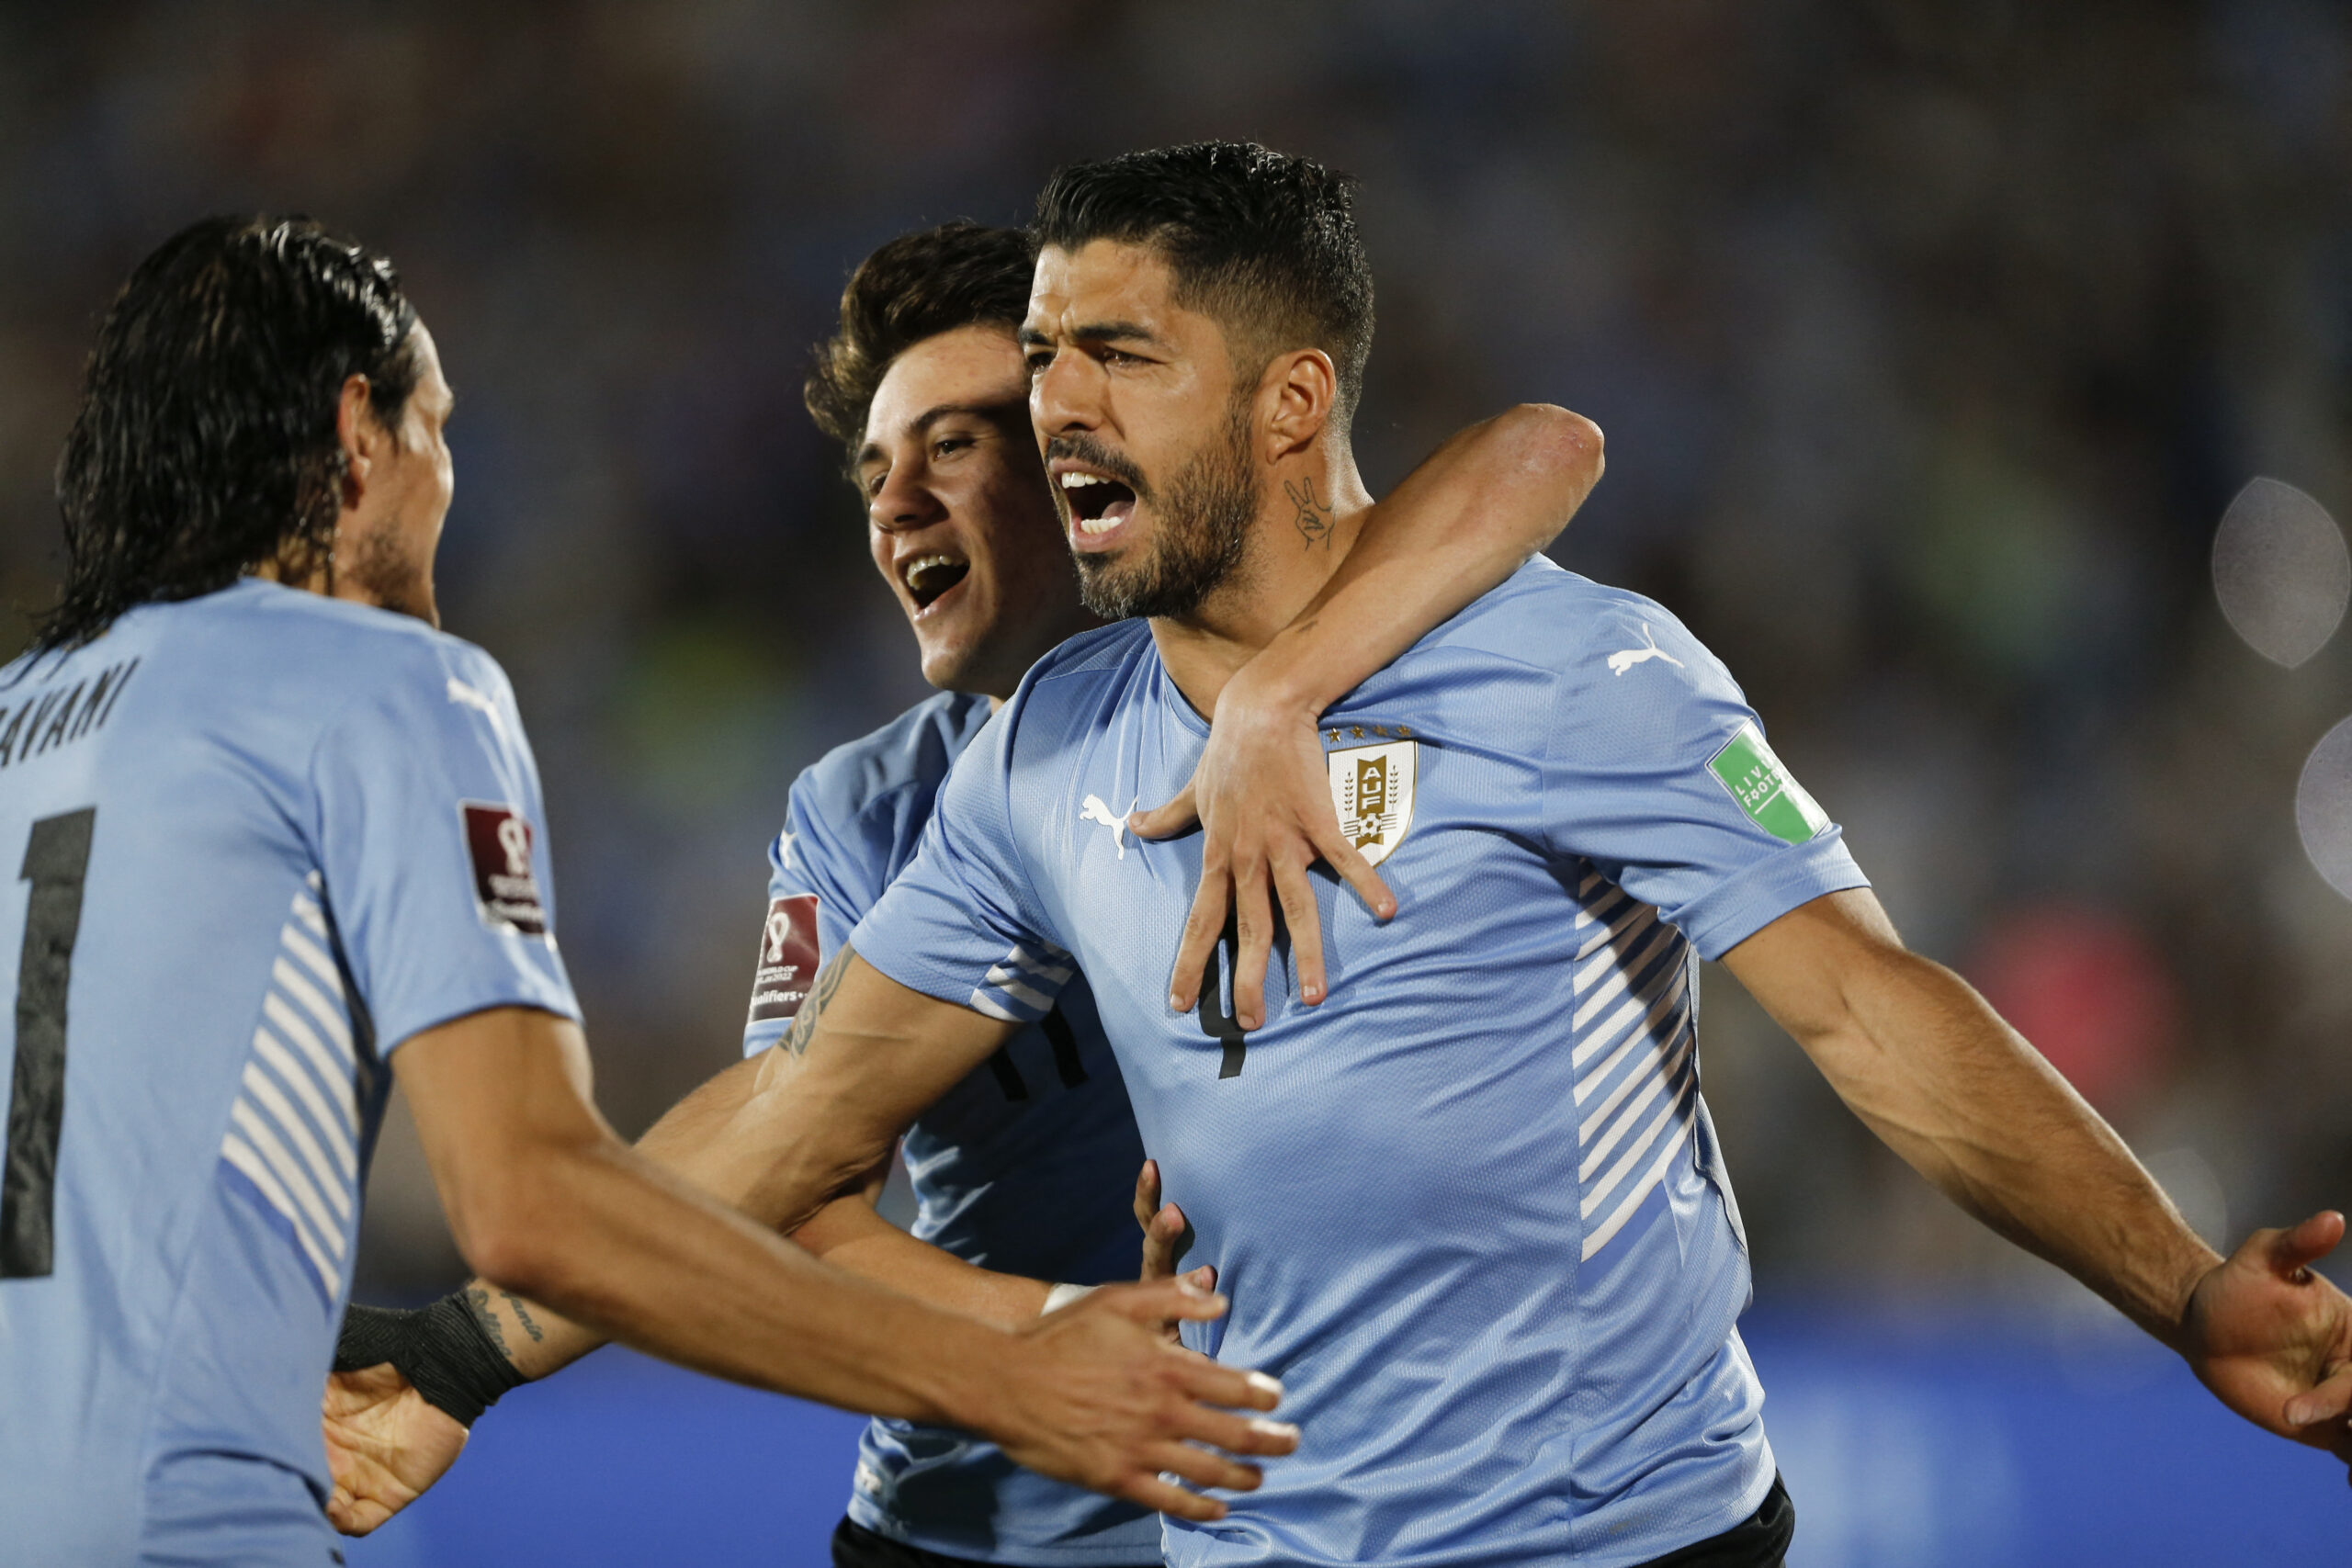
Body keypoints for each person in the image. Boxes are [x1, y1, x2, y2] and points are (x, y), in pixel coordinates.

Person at [616, 141, 2352, 1566]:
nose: (1058, 401)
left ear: (1292, 403)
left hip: (1620, 1542)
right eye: (1047, 354)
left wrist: (2183, 1288)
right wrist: (473, 1342)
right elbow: (793, 1128)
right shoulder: (1047, 752)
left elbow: (1868, 1018)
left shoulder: (1574, 669)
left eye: (1115, 354)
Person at [0, 214, 1295, 1568]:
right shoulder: (387, 686)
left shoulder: (20, 722)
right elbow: (583, 1185)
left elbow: (1527, 459)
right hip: (203, 1517)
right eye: (443, 432)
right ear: (361, 433)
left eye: (955, 443)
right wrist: (1012, 1367)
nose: (451, 495)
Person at [324, 214, 1602, 1565]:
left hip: (1307, 1517)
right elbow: (792, 1157)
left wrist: (1284, 689)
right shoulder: (865, 809)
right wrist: (1062, 1338)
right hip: (976, 1525)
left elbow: (1544, 448)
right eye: (876, 467)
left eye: (954, 444)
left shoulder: (1323, 679)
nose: (893, 503)